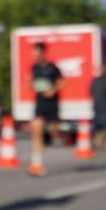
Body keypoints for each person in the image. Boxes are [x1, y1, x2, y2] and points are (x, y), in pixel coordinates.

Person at [27, 41, 65, 177]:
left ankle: (57, 135)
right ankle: (36, 165)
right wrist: (30, 84)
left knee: (55, 131)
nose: (35, 56)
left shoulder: (52, 67)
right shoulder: (33, 68)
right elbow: (30, 83)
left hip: (52, 104)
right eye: (34, 54)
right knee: (36, 131)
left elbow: (63, 81)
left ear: (42, 53)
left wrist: (53, 90)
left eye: (37, 53)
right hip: (40, 104)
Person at [89, 62, 106, 151]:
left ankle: (103, 142)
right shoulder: (95, 81)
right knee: (98, 125)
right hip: (97, 105)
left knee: (104, 125)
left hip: (104, 105)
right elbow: (91, 92)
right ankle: (97, 142)